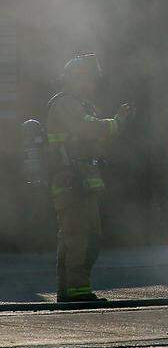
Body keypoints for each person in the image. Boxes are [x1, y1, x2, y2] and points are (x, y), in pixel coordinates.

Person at [43, 54, 132, 302]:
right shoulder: (66, 104)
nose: (92, 85)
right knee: (77, 236)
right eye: (88, 79)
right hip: (71, 182)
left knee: (88, 236)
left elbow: (95, 141)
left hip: (82, 181)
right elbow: (88, 128)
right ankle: (75, 292)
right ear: (74, 80)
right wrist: (115, 123)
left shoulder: (82, 105)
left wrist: (115, 126)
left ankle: (75, 290)